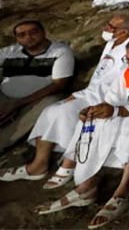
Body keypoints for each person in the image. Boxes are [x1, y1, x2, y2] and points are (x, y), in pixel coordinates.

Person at [34, 36, 129, 228]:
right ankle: (86, 185)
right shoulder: (127, 69)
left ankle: (123, 190)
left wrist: (115, 111)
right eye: (128, 59)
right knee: (96, 120)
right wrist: (95, 110)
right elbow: (112, 98)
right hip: (126, 111)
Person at [1, 16, 129, 187]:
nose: (105, 28)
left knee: (59, 111)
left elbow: (119, 82)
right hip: (90, 93)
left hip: (109, 99)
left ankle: (71, 164)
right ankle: (39, 165)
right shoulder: (112, 44)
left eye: (110, 26)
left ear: (123, 32)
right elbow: (100, 77)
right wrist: (81, 93)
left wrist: (95, 98)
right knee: (52, 111)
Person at [0, 21, 75, 152]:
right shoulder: (9, 52)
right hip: (4, 95)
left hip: (38, 99)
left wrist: (18, 103)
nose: (28, 37)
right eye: (22, 35)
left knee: (50, 104)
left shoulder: (60, 52)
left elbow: (59, 85)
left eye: (33, 32)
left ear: (43, 32)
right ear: (17, 39)